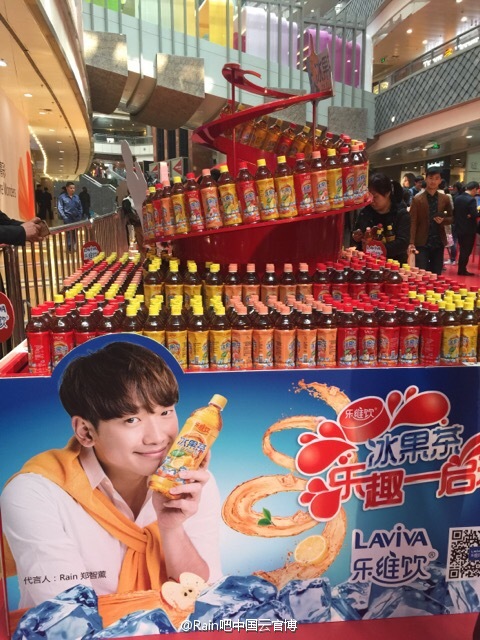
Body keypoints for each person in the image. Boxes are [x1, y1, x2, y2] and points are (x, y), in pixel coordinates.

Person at [1, 341, 222, 612]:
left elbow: (207, 599)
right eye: (131, 420)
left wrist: (172, 529)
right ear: (85, 432)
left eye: (165, 412)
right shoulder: (37, 493)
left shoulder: (191, 485)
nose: (157, 438)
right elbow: (69, 616)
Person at [352, 173, 411, 264]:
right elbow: (358, 234)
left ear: (387, 193)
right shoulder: (365, 212)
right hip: (366, 262)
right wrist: (356, 236)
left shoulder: (401, 214)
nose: (371, 200)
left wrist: (374, 248)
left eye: (375, 197)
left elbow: (402, 243)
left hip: (393, 264)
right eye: (369, 196)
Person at [408, 168, 453, 276]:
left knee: (436, 273)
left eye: (436, 178)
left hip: (438, 240)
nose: (433, 181)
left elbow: (451, 218)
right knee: (420, 272)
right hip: (421, 241)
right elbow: (413, 221)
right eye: (431, 178)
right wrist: (411, 242)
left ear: (440, 180)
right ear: (426, 179)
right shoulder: (417, 199)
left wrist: (443, 220)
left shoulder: (445, 198)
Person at [453, 181, 479, 276]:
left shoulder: (457, 198)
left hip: (458, 227)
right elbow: (474, 214)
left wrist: (469, 215)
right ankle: (462, 269)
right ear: (474, 189)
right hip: (469, 229)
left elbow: (455, 213)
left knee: (462, 249)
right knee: (466, 250)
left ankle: (461, 269)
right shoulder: (471, 200)